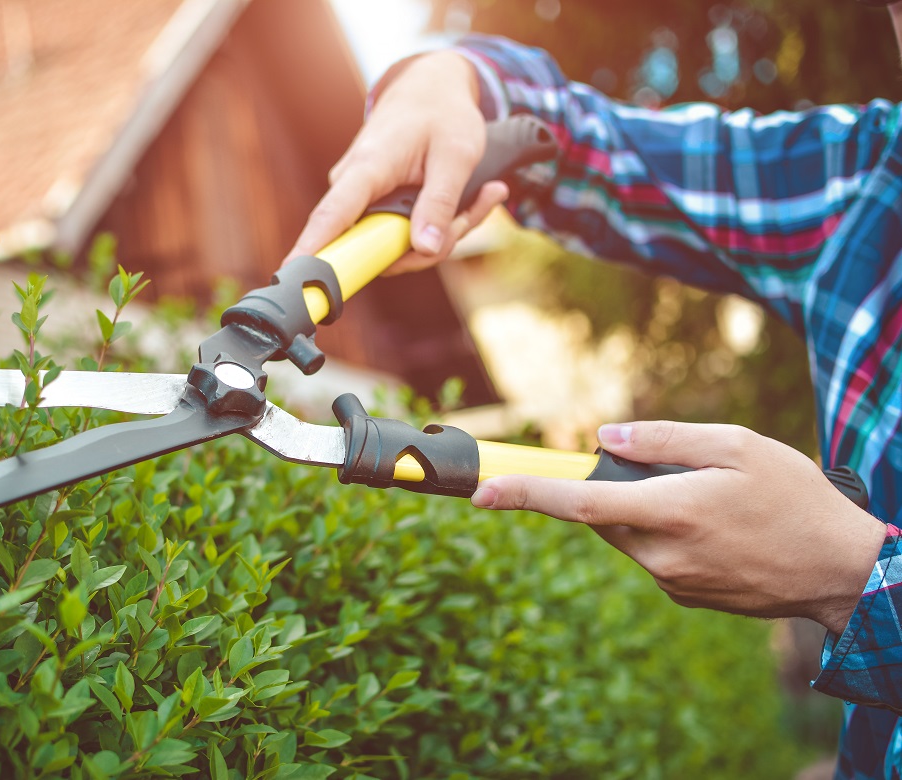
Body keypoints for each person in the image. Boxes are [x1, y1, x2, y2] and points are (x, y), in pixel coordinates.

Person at [289, 4, 902, 778]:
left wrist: (858, 584)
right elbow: (586, 146)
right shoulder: (865, 182)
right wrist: (452, 82)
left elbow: (861, 579)